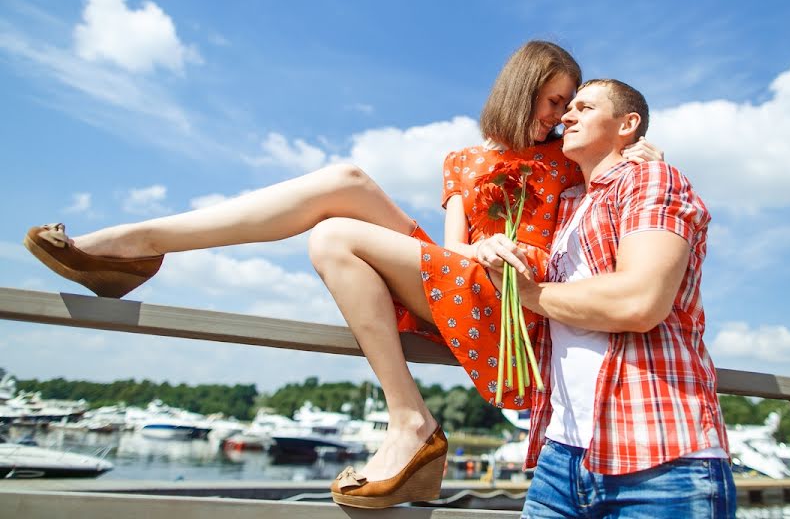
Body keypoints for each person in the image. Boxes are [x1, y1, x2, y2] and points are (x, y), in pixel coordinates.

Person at [22, 41, 663, 508]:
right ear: (522, 86)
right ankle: (134, 246)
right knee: (345, 184)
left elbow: (618, 153)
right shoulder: (466, 158)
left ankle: (410, 422)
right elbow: (456, 246)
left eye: (567, 105)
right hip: (462, 279)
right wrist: (478, 245)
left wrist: (641, 147)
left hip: (515, 306)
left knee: (333, 234)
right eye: (552, 100)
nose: (558, 115)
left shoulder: (565, 156)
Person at [481, 79, 735, 517]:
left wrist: (528, 294)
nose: (566, 116)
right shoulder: (567, 206)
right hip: (560, 455)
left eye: (584, 106)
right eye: (566, 108)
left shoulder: (654, 177)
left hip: (658, 453)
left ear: (628, 124)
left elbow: (640, 301)